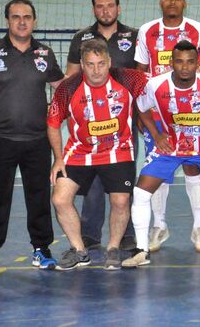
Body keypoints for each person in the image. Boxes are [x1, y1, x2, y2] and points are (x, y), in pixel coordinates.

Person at [0, 0, 64, 276]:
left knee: (40, 197)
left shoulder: (45, 54)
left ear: (34, 21)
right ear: (7, 20)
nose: (22, 21)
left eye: (27, 17)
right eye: (16, 16)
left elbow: (63, 88)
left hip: (36, 140)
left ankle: (42, 249)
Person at [122, 41, 200, 268]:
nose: (185, 67)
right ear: (171, 64)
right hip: (171, 148)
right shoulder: (155, 85)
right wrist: (157, 135)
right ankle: (141, 251)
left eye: (190, 62)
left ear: (198, 63)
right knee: (140, 192)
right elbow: (139, 105)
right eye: (179, 61)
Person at [47, 39, 148, 270]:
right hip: (79, 152)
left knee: (121, 200)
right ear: (82, 65)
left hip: (118, 151)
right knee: (60, 199)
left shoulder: (128, 78)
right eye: (90, 64)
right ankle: (80, 250)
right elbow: (53, 123)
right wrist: (58, 158)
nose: (96, 70)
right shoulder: (68, 88)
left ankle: (113, 248)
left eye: (101, 64)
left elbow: (163, 80)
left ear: (109, 62)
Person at [135, 0, 200, 253]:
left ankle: (198, 226)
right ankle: (159, 225)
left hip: (193, 111)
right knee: (160, 169)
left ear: (185, 3)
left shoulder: (199, 30)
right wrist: (142, 113)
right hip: (159, 112)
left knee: (193, 166)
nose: (172, 1)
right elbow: (140, 74)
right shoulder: (147, 31)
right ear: (160, 2)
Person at [65, 0, 137, 252]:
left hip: (123, 123)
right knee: (92, 181)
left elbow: (143, 74)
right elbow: (72, 78)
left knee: (122, 181)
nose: (105, 10)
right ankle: (90, 234)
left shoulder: (134, 36)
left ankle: (126, 234)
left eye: (110, 5)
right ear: (94, 8)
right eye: (99, 6)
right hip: (89, 122)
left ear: (118, 8)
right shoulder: (81, 38)